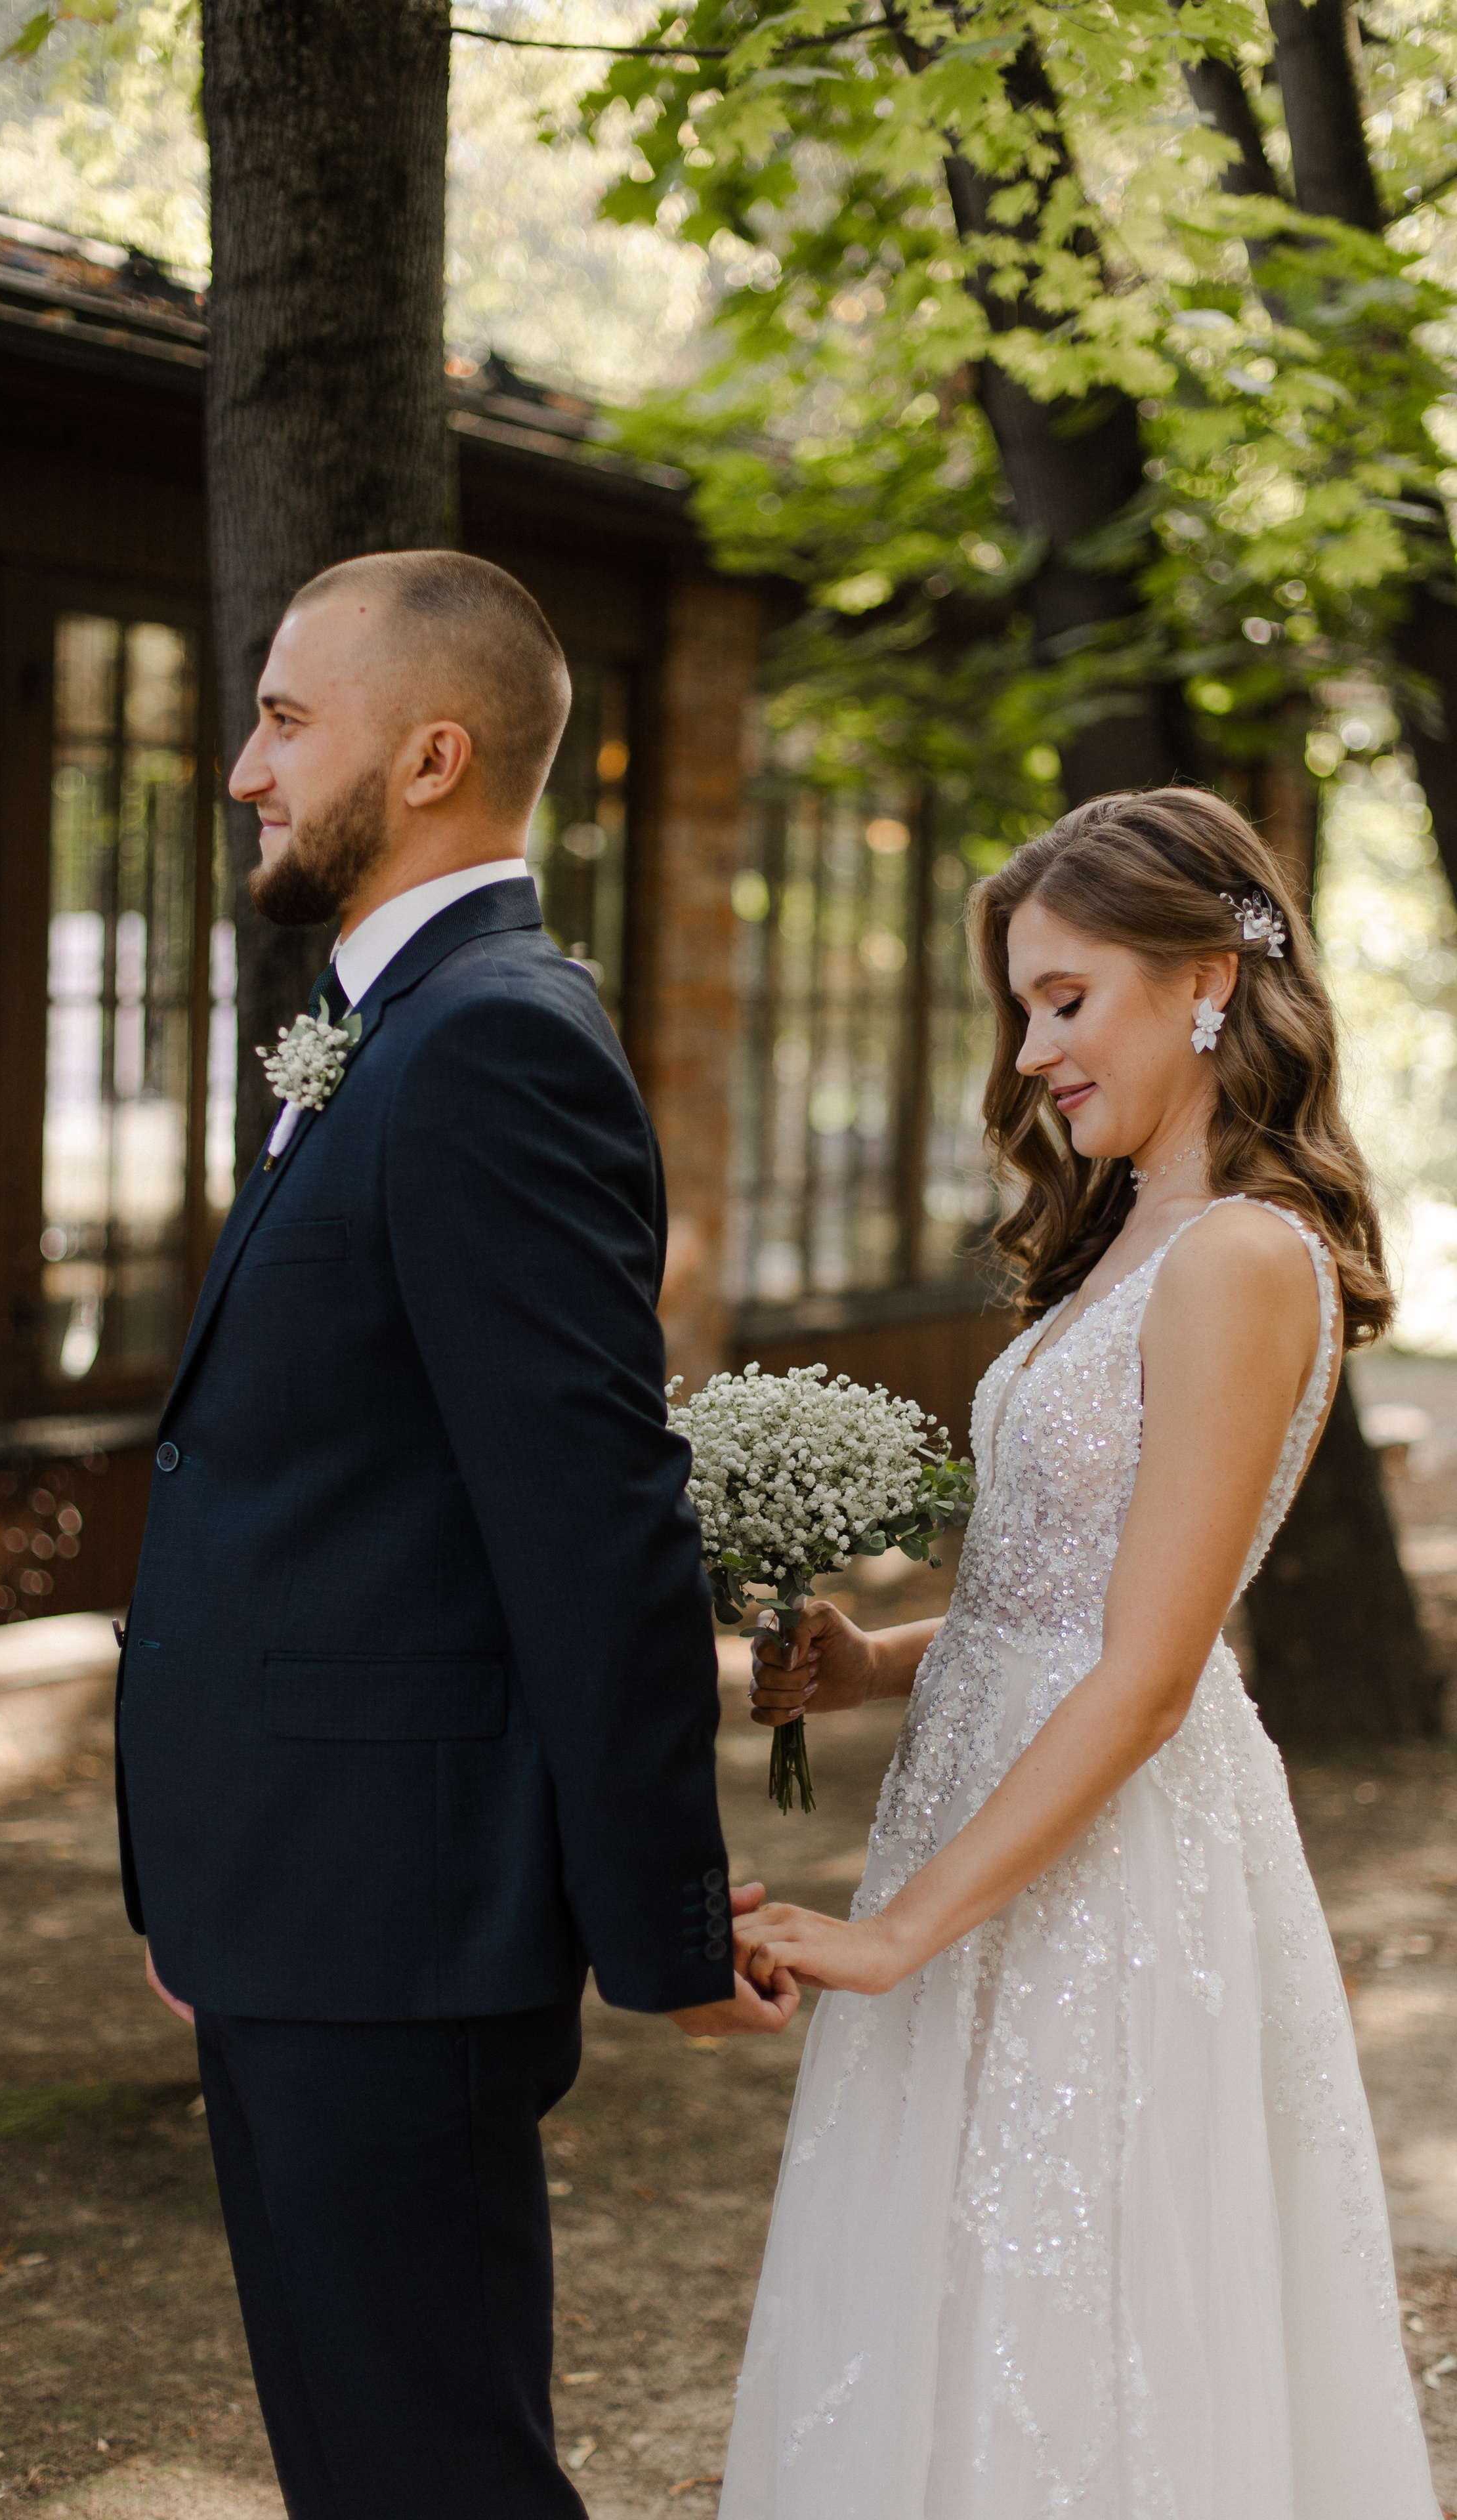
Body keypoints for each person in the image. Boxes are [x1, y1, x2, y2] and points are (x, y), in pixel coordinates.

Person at [114, 549, 797, 2520]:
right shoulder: (389, 1029)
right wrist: (202, 1879)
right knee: (363, 2459)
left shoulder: (494, 1040)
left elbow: (592, 1518)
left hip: (392, 1925)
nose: (246, 768)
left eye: (283, 718)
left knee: (428, 2472)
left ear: (429, 754)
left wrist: (658, 1926)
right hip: (299, 1901)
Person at [723, 787, 1441, 2519]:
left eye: (1067, 998)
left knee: (1084, 2308)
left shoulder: (1242, 1260)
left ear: (1206, 983)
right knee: (952, 2312)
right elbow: (1055, 1602)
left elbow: (1152, 1667)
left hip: (1110, 1878)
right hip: (995, 1818)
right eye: (1021, 1008)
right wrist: (871, 1660)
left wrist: (897, 1930)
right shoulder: (1123, 1240)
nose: (1034, 1049)